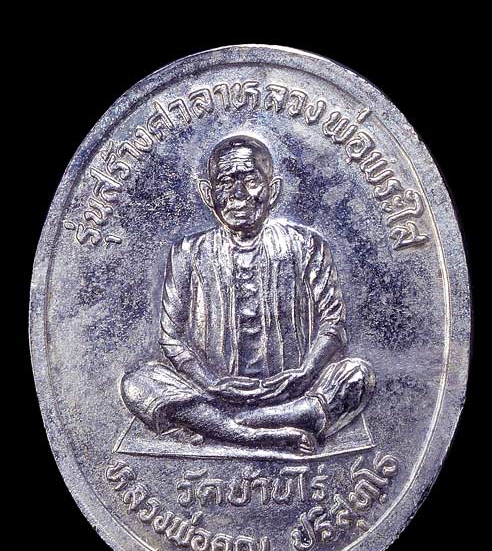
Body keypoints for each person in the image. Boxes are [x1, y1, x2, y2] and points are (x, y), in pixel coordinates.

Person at [121, 135, 375, 454]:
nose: (238, 194)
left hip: (294, 391)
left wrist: (305, 372)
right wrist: (211, 382)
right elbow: (171, 338)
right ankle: (255, 434)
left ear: (273, 189)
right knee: (138, 382)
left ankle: (224, 426)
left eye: (251, 180)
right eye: (226, 182)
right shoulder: (187, 252)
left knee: (357, 375)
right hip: (209, 393)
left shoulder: (307, 245)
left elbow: (333, 324)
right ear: (208, 194)